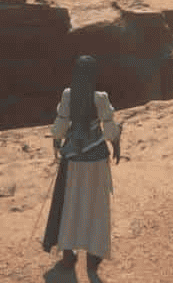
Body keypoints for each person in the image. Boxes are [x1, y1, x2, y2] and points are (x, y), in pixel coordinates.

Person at [42, 55, 122, 279]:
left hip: (73, 162)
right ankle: (93, 258)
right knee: (96, 207)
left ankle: (68, 256)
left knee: (71, 207)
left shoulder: (68, 95)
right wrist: (117, 144)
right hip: (96, 160)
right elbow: (109, 130)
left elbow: (59, 127)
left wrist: (57, 140)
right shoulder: (100, 98)